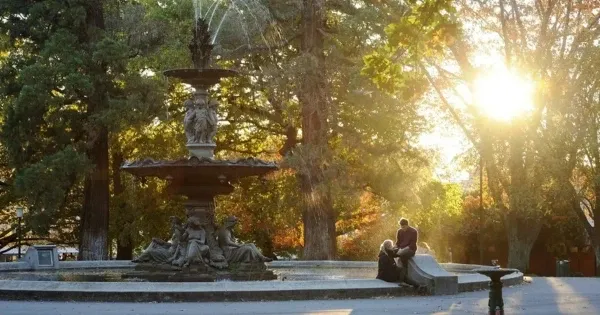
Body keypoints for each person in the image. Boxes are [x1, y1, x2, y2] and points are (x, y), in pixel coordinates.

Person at [395, 218, 425, 291]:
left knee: (403, 257)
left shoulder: (413, 231)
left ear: (407, 225)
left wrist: (404, 250)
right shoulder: (399, 231)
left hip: (410, 249)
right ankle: (397, 276)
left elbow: (413, 244)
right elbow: (398, 242)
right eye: (401, 227)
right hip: (401, 249)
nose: (403, 228)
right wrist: (396, 248)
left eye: (404, 227)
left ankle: (403, 279)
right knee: (394, 254)